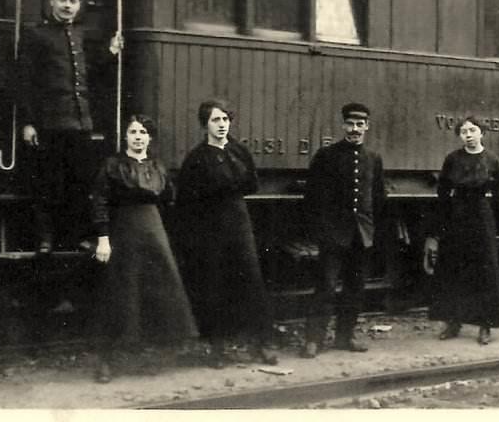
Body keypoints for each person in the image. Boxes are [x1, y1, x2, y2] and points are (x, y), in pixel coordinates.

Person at [17, 0, 123, 254]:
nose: (68, 5)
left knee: (79, 183)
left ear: (79, 5)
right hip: (50, 121)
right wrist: (29, 122)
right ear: (51, 1)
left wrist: (110, 52)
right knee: (49, 183)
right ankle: (45, 238)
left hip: (80, 122)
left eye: (73, 0)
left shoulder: (80, 35)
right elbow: (25, 81)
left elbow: (89, 74)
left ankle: (73, 237)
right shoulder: (36, 34)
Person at [90, 115, 197, 383]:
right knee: (121, 292)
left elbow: (170, 200)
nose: (138, 136)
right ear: (125, 136)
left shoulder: (158, 166)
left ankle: (153, 356)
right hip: (124, 232)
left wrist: (169, 234)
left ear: (150, 138)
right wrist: (103, 238)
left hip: (154, 232)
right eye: (133, 131)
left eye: (143, 132)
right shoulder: (112, 165)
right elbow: (100, 201)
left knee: (160, 291)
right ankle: (106, 361)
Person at [173, 99, 278, 367]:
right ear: (205, 124)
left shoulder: (239, 151)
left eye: (225, 120)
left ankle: (261, 343)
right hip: (210, 227)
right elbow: (186, 199)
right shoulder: (196, 158)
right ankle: (218, 348)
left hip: (238, 222)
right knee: (214, 285)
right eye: (215, 120)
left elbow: (252, 184)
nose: (222, 125)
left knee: (252, 282)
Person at [301, 103, 387, 359]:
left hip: (361, 234)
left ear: (367, 127)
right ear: (342, 126)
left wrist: (373, 230)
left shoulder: (373, 158)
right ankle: (313, 340)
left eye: (360, 125)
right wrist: (321, 232)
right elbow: (312, 199)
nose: (355, 130)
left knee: (355, 288)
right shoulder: (326, 156)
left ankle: (344, 337)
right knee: (326, 288)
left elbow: (379, 196)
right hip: (333, 235)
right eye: (350, 124)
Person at [424, 116, 499, 345]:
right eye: (463, 131)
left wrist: (497, 226)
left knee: (485, 271)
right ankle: (453, 322)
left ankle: (485, 325)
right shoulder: (452, 159)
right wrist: (440, 224)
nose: (468, 135)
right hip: (456, 216)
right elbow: (442, 193)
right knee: (453, 269)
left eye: (472, 130)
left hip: (481, 217)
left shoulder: (492, 160)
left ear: (482, 133)